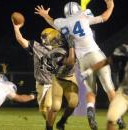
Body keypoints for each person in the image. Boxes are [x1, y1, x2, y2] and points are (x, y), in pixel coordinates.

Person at [34, 1, 125, 130]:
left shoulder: (61, 22)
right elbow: (104, 17)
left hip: (82, 60)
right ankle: (118, 117)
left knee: (91, 90)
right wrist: (111, 7)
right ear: (77, 9)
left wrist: (44, 15)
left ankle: (90, 109)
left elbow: (52, 21)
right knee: (109, 87)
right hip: (95, 54)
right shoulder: (83, 15)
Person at [107, 61, 128, 130]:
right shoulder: (123, 52)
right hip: (124, 91)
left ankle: (119, 120)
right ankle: (119, 120)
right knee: (112, 118)